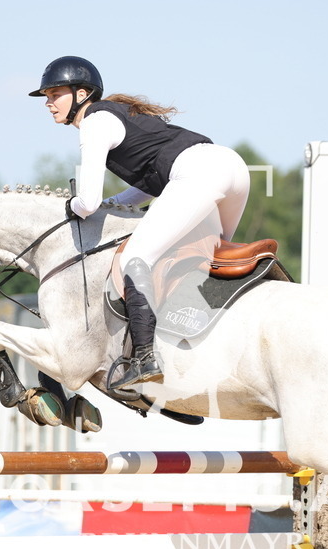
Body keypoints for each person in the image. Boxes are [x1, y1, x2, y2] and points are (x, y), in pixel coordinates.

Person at [30, 56, 251, 390]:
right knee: (206, 260)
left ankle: (145, 357)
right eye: (47, 96)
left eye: (55, 94)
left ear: (82, 93)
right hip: (232, 168)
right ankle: (196, 348)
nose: (48, 103)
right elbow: (146, 186)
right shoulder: (117, 116)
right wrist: (114, 204)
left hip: (199, 174)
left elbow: (87, 203)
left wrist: (70, 206)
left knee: (136, 258)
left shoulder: (94, 121)